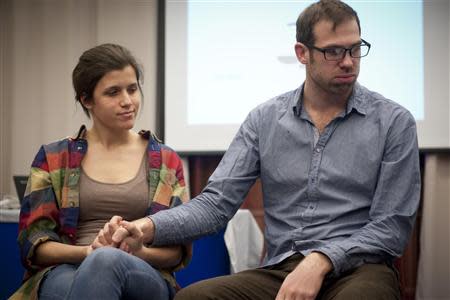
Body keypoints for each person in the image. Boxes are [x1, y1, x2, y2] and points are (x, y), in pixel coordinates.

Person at [111, 0, 421, 299]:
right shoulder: (265, 119)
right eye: (333, 51)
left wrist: (322, 258)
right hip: (283, 270)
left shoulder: (393, 122)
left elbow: (390, 227)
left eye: (355, 49)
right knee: (195, 297)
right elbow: (215, 206)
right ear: (302, 53)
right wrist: (145, 227)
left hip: (361, 269)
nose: (348, 61)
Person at [11, 43, 190, 300]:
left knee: (106, 262)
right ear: (86, 100)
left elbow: (176, 250)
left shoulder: (166, 160)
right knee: (95, 268)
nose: (127, 101)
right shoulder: (53, 157)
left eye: (132, 89)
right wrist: (88, 252)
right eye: (113, 92)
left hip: (146, 272)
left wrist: (139, 251)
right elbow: (33, 244)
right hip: (66, 269)